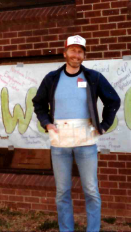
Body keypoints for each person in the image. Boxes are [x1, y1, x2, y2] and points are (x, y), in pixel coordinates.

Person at [32, 35, 121, 232]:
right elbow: (38, 103)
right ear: (65, 53)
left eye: (80, 51)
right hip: (60, 142)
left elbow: (113, 100)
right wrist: (46, 123)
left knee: (91, 191)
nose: (76, 54)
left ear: (84, 55)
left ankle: (93, 230)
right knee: (62, 191)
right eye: (72, 50)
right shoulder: (52, 78)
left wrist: (104, 125)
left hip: (86, 141)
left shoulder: (93, 77)